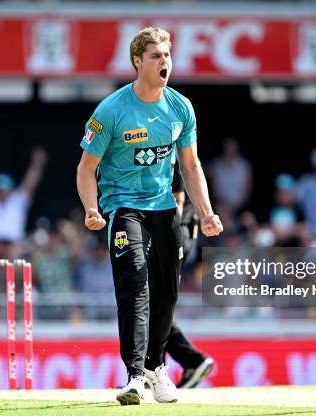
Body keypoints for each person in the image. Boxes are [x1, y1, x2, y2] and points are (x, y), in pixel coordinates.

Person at [76, 27, 223, 405]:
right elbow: (85, 167)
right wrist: (92, 208)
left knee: (167, 295)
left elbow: (190, 166)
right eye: (156, 56)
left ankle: (158, 369)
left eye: (167, 56)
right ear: (137, 62)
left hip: (164, 209)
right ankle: (135, 375)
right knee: (135, 284)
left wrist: (206, 213)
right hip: (124, 208)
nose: (164, 63)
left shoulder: (180, 107)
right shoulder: (111, 110)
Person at [168, 162, 215, 388]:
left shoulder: (172, 148)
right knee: (150, 304)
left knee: (151, 304)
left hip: (175, 231)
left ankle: (191, 360)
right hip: (181, 230)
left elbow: (178, 201)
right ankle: (151, 372)